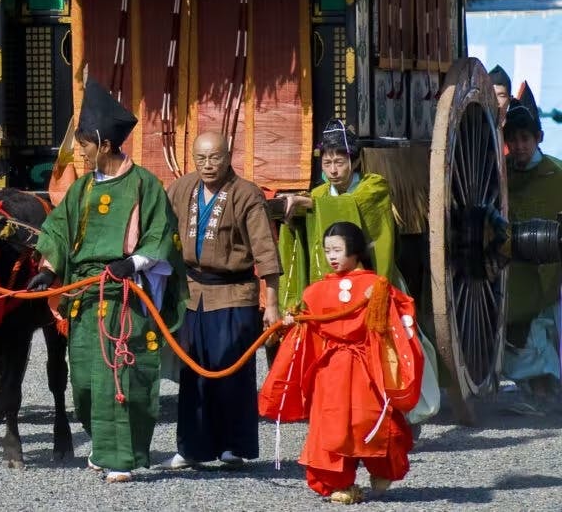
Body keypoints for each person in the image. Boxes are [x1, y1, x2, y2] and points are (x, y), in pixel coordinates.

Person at [28, 79, 184, 483]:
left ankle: (123, 458)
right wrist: (47, 269)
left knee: (122, 376)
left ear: (106, 144)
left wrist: (132, 264)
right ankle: (101, 444)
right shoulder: (81, 187)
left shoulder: (144, 185)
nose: (79, 151)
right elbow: (59, 232)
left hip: (124, 296)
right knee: (83, 380)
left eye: (84, 144)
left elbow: (161, 236)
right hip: (83, 296)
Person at [260, 222, 423, 504]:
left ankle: (382, 469)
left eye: (337, 249)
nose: (331, 256)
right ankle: (338, 482)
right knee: (330, 425)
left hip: (366, 365)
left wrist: (381, 300)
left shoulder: (377, 285)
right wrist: (292, 321)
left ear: (356, 250)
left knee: (372, 419)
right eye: (327, 251)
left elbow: (398, 321)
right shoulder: (315, 291)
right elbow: (308, 325)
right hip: (330, 368)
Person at [166, 131, 281, 469]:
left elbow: (265, 252)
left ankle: (234, 445)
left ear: (228, 156)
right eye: (200, 158)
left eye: (215, 157)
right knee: (194, 371)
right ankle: (192, 448)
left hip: (234, 293)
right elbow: (159, 226)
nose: (208, 165)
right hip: (191, 292)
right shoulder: (182, 188)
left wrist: (271, 303)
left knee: (231, 369)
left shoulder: (246, 193)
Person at [277, 121, 398, 312]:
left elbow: (352, 203)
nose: (332, 170)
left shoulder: (374, 186)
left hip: (368, 277)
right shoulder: (318, 193)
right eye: (327, 163)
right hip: (331, 282)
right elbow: (304, 223)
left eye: (339, 163)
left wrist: (309, 204)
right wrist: (292, 217)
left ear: (355, 161)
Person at [502, 88, 562, 407]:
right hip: (515, 272)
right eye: (514, 140)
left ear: (538, 137)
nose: (521, 146)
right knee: (518, 327)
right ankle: (536, 389)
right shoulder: (502, 177)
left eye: (526, 139)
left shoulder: (557, 175)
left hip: (553, 271)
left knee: (547, 326)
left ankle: (546, 390)